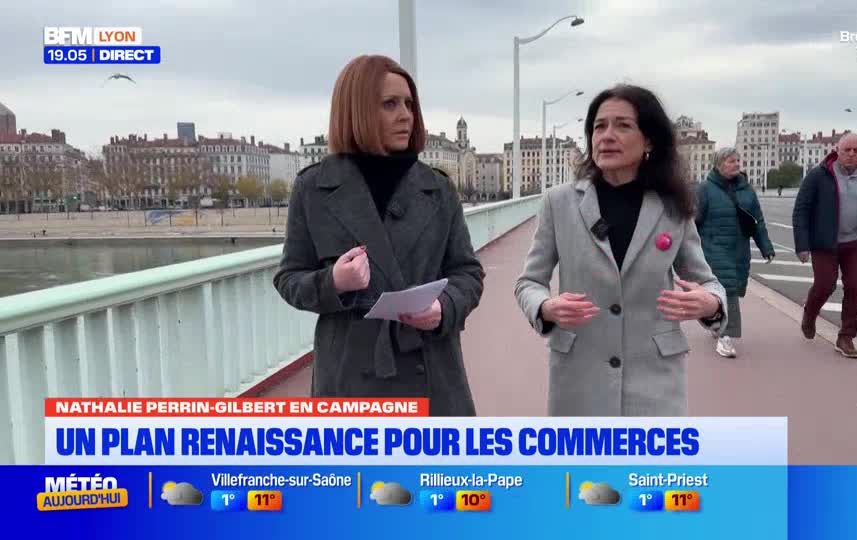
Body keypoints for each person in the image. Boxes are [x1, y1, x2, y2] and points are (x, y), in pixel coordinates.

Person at [273, 54, 485, 415]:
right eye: (390, 104)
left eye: (409, 104)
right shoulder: (314, 188)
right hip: (349, 379)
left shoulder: (437, 188)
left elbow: (468, 273)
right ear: (356, 111)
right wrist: (334, 282)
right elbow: (289, 278)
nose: (406, 115)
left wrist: (444, 307)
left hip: (430, 368)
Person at [514, 84, 728, 417]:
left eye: (623, 125)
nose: (607, 135)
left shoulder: (673, 208)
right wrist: (545, 307)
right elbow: (528, 283)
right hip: (579, 380)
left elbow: (708, 283)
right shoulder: (559, 203)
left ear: (649, 140)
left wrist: (710, 303)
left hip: (656, 382)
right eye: (599, 126)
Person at [792, 133, 857, 358]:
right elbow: (801, 211)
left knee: (856, 287)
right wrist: (802, 245)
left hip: (856, 243)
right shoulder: (819, 175)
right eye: (847, 149)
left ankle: (846, 337)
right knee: (825, 285)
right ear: (837, 150)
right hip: (825, 243)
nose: (852, 154)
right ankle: (810, 313)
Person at [695, 148, 775, 358]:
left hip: (739, 248)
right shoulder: (704, 189)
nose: (737, 164)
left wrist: (765, 246)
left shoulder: (746, 190)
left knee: (730, 288)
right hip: (714, 248)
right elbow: (692, 222)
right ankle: (725, 338)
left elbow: (757, 220)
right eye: (732, 161)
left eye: (738, 160)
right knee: (728, 289)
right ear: (719, 164)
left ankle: (715, 322)